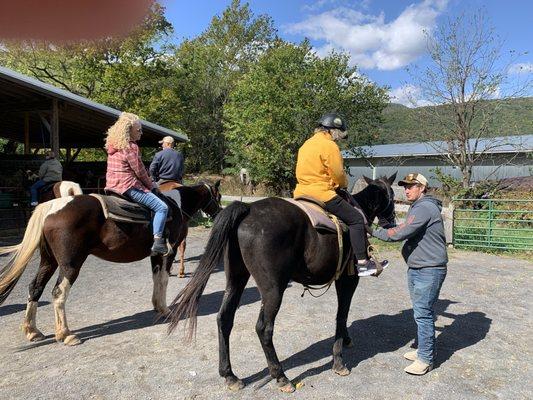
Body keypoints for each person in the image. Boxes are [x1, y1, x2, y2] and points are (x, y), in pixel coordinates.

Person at [369, 173, 448, 375]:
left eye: (411, 186)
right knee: (421, 312)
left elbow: (401, 232)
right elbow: (403, 229)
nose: (406, 189)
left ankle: (425, 359)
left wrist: (370, 230)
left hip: (428, 269)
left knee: (423, 313)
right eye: (405, 186)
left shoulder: (425, 208)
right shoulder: (419, 207)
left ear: (422, 188)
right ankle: (425, 349)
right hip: (419, 267)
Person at [294, 112, 388, 277]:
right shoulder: (329, 146)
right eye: (338, 135)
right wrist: (343, 184)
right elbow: (337, 173)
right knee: (356, 219)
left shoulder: (306, 145)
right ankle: (363, 263)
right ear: (332, 131)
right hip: (322, 193)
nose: (338, 139)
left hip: (301, 192)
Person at [104, 112, 169, 256]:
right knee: (162, 207)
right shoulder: (130, 147)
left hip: (111, 186)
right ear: (129, 130)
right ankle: (157, 242)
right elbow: (139, 171)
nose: (141, 132)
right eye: (138, 130)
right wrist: (152, 186)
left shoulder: (113, 146)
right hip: (128, 186)